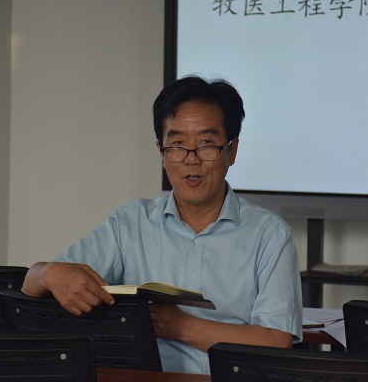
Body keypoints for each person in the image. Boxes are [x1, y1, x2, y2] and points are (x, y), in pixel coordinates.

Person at [21, 75, 303, 374]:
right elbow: (34, 283)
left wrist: (181, 326)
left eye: (206, 144)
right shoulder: (129, 224)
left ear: (231, 151)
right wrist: (47, 273)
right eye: (177, 144)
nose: (191, 160)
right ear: (161, 152)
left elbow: (277, 341)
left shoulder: (270, 235)